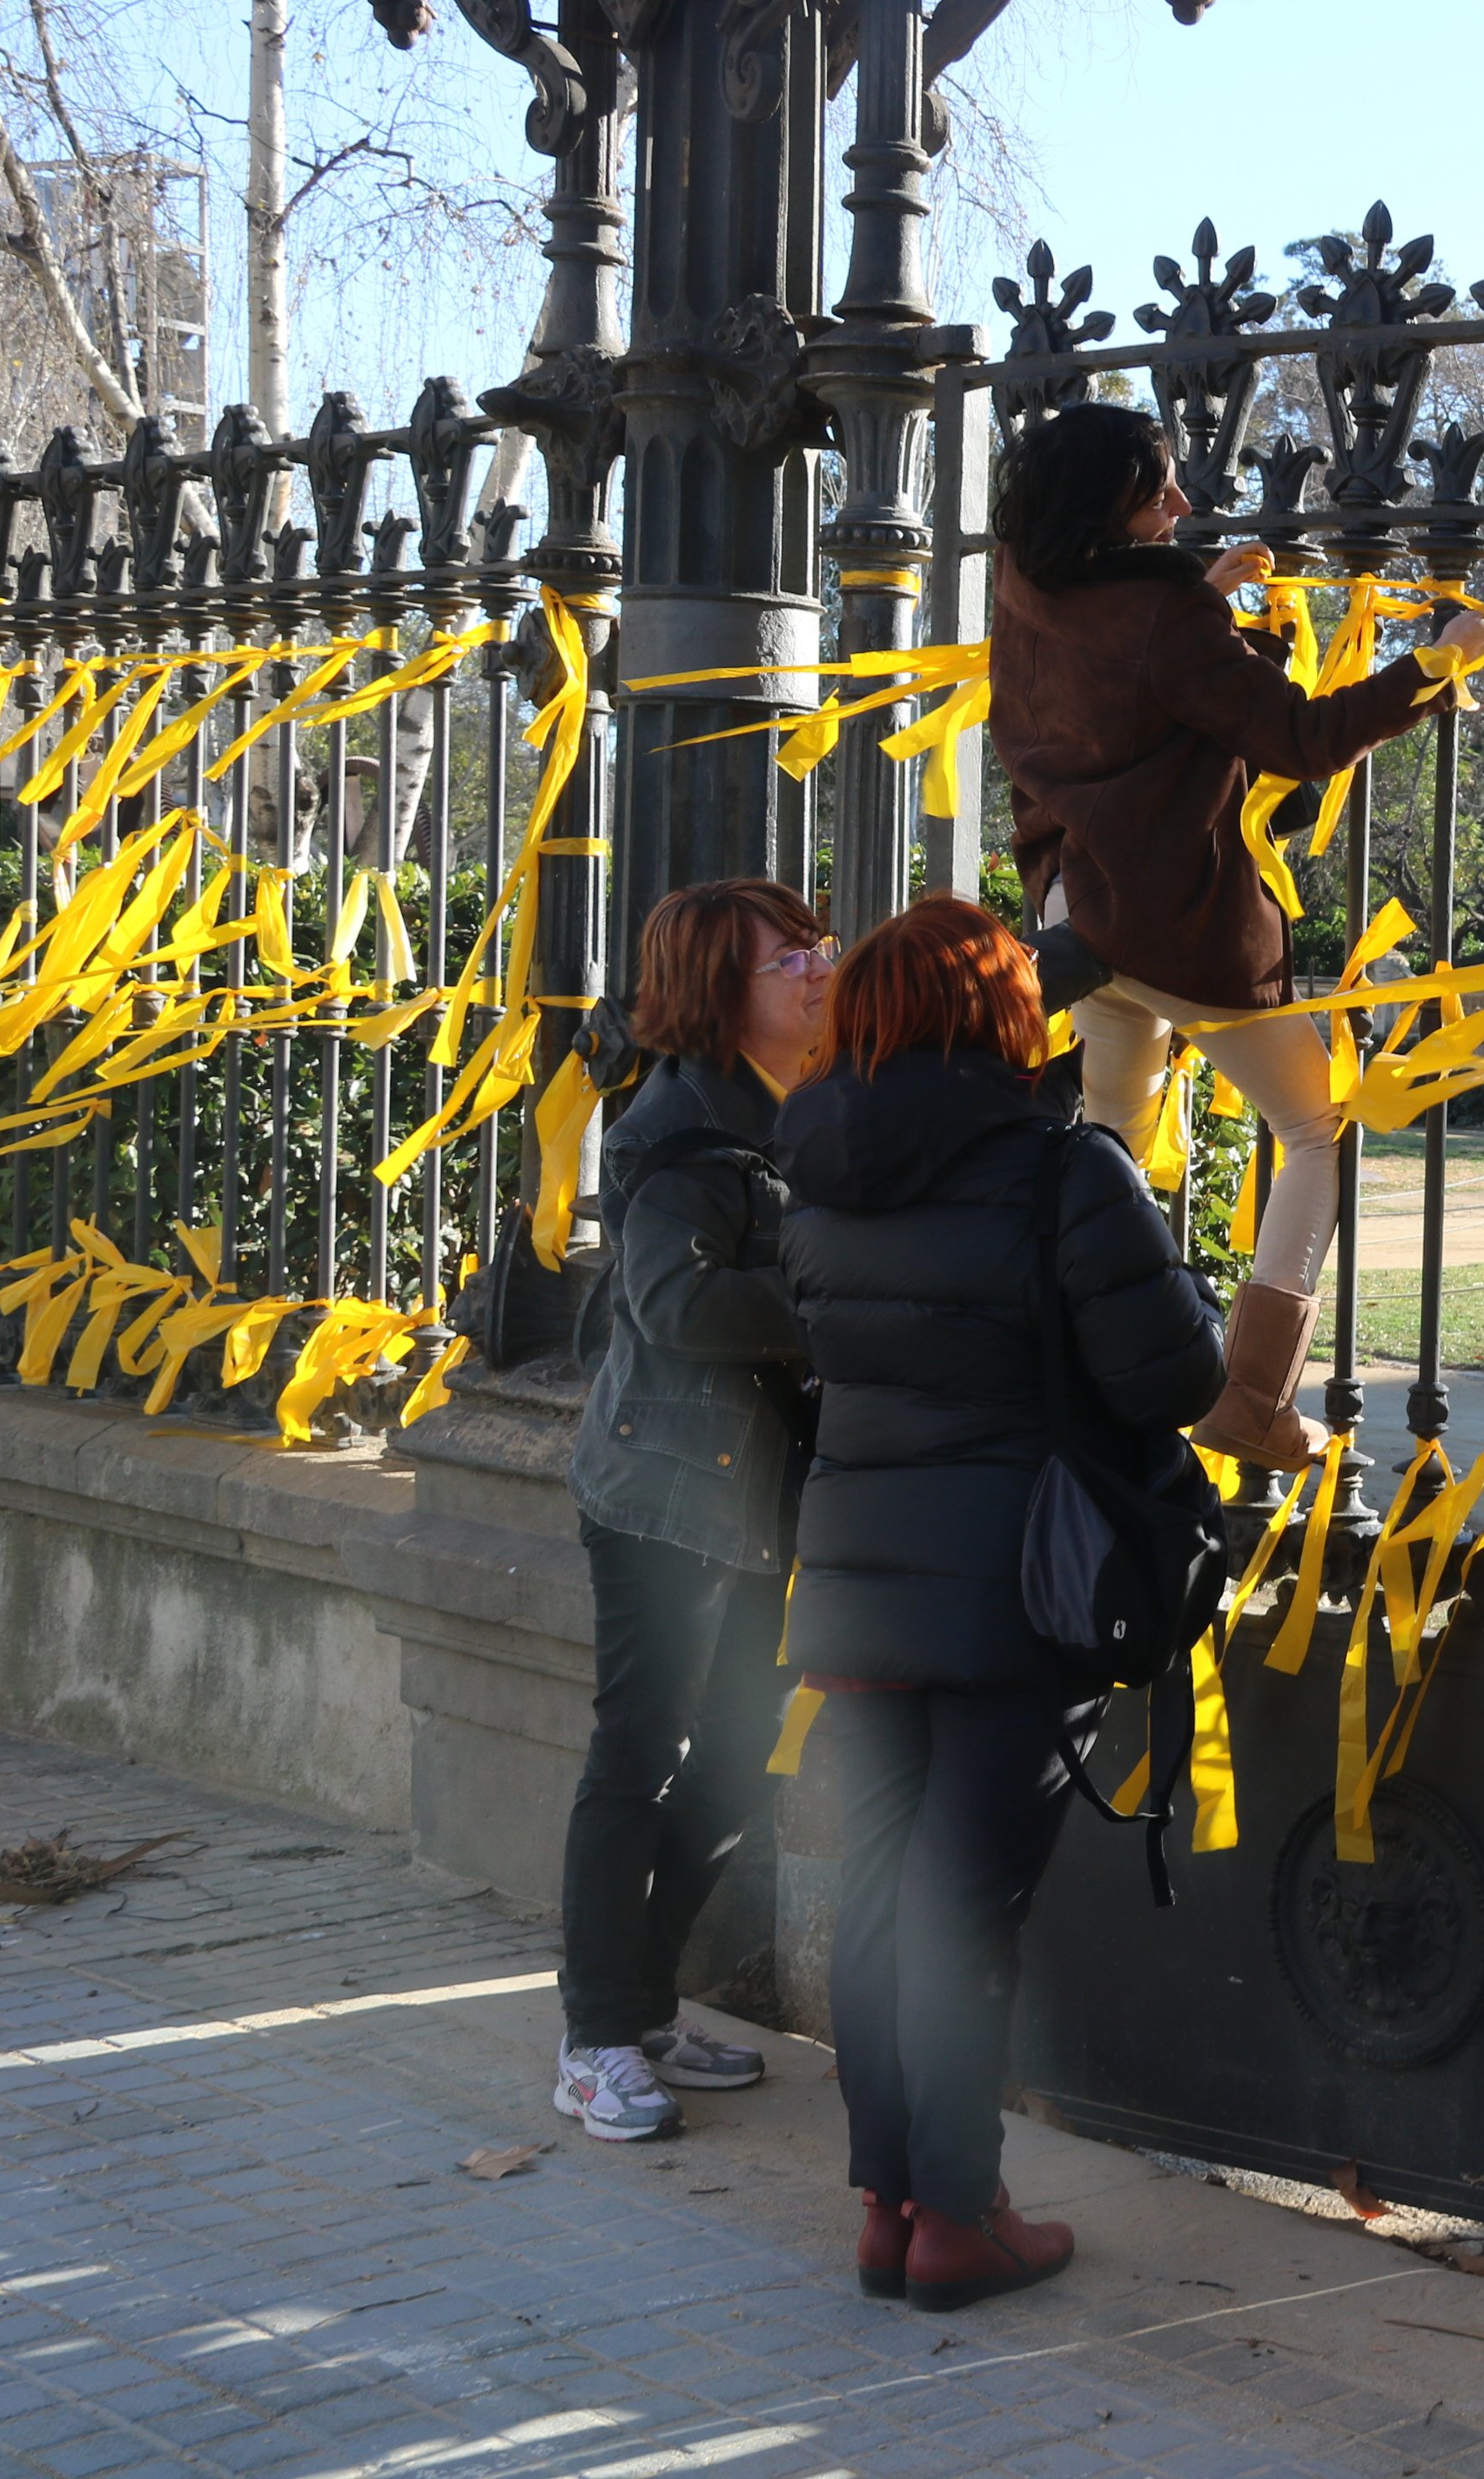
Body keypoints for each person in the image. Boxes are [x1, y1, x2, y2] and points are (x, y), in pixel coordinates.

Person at [774, 894, 1227, 2311]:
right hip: (1013, 1590)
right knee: (963, 1911)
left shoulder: (817, 1160)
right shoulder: (1062, 1167)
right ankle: (959, 2217)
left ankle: (887, 2201)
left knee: (873, 1894)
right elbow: (1173, 1379)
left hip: (856, 1579)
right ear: (1001, 1012)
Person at [986, 400, 1484, 1471]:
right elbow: (1303, 738)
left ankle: (1087, 1356)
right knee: (1315, 1129)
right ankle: (1251, 1397)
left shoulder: (1025, 586)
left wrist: (1209, 603)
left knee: (1111, 1143)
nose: (1181, 503)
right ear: (1103, 507)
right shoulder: (1163, 619)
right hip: (1175, 927)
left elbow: (1118, 698)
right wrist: (1437, 663)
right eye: (1155, 489)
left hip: (1077, 922)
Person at [556, 877, 834, 2141]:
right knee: (641, 1755)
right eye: (793, 957)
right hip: (665, 1497)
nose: (822, 969)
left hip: (763, 1503)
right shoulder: (677, 1131)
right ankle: (595, 2039)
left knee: (731, 1765)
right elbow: (677, 1303)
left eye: (821, 946)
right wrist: (838, 1301)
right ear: (727, 993)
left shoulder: (802, 1106)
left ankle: (647, 2001)